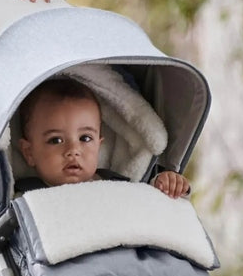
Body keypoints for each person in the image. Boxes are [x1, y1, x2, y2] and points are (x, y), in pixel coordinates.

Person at [15, 78, 191, 195]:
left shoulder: (115, 185)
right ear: (29, 152)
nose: (73, 151)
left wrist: (163, 184)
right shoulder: (24, 198)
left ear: (99, 145)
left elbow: (142, 206)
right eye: (56, 140)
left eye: (85, 138)